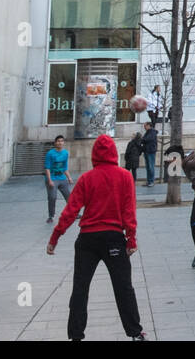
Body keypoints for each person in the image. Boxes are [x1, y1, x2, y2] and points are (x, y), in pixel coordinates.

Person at [45, 133, 145, 341]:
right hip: (113, 238)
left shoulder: (86, 179)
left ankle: (75, 336)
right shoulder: (125, 176)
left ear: (94, 155)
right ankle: (135, 333)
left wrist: (55, 237)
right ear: (113, 154)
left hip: (87, 240)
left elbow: (71, 211)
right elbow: (129, 211)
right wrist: (131, 239)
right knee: (123, 287)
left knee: (80, 289)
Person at [44, 135, 72, 223]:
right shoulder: (50, 153)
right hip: (52, 178)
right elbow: (47, 168)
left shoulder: (65, 153)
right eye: (58, 141)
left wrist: (69, 178)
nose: (60, 142)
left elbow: (65, 167)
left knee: (69, 197)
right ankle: (51, 216)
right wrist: (49, 180)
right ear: (55, 143)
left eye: (62, 141)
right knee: (52, 197)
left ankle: (74, 213)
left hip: (62, 178)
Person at [141, 121, 158, 187]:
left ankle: (151, 181)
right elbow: (143, 139)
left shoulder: (152, 132)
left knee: (151, 167)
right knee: (148, 167)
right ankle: (149, 181)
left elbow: (146, 139)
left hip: (150, 151)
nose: (144, 127)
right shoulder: (148, 132)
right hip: (147, 151)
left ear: (148, 126)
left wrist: (143, 139)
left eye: (145, 126)